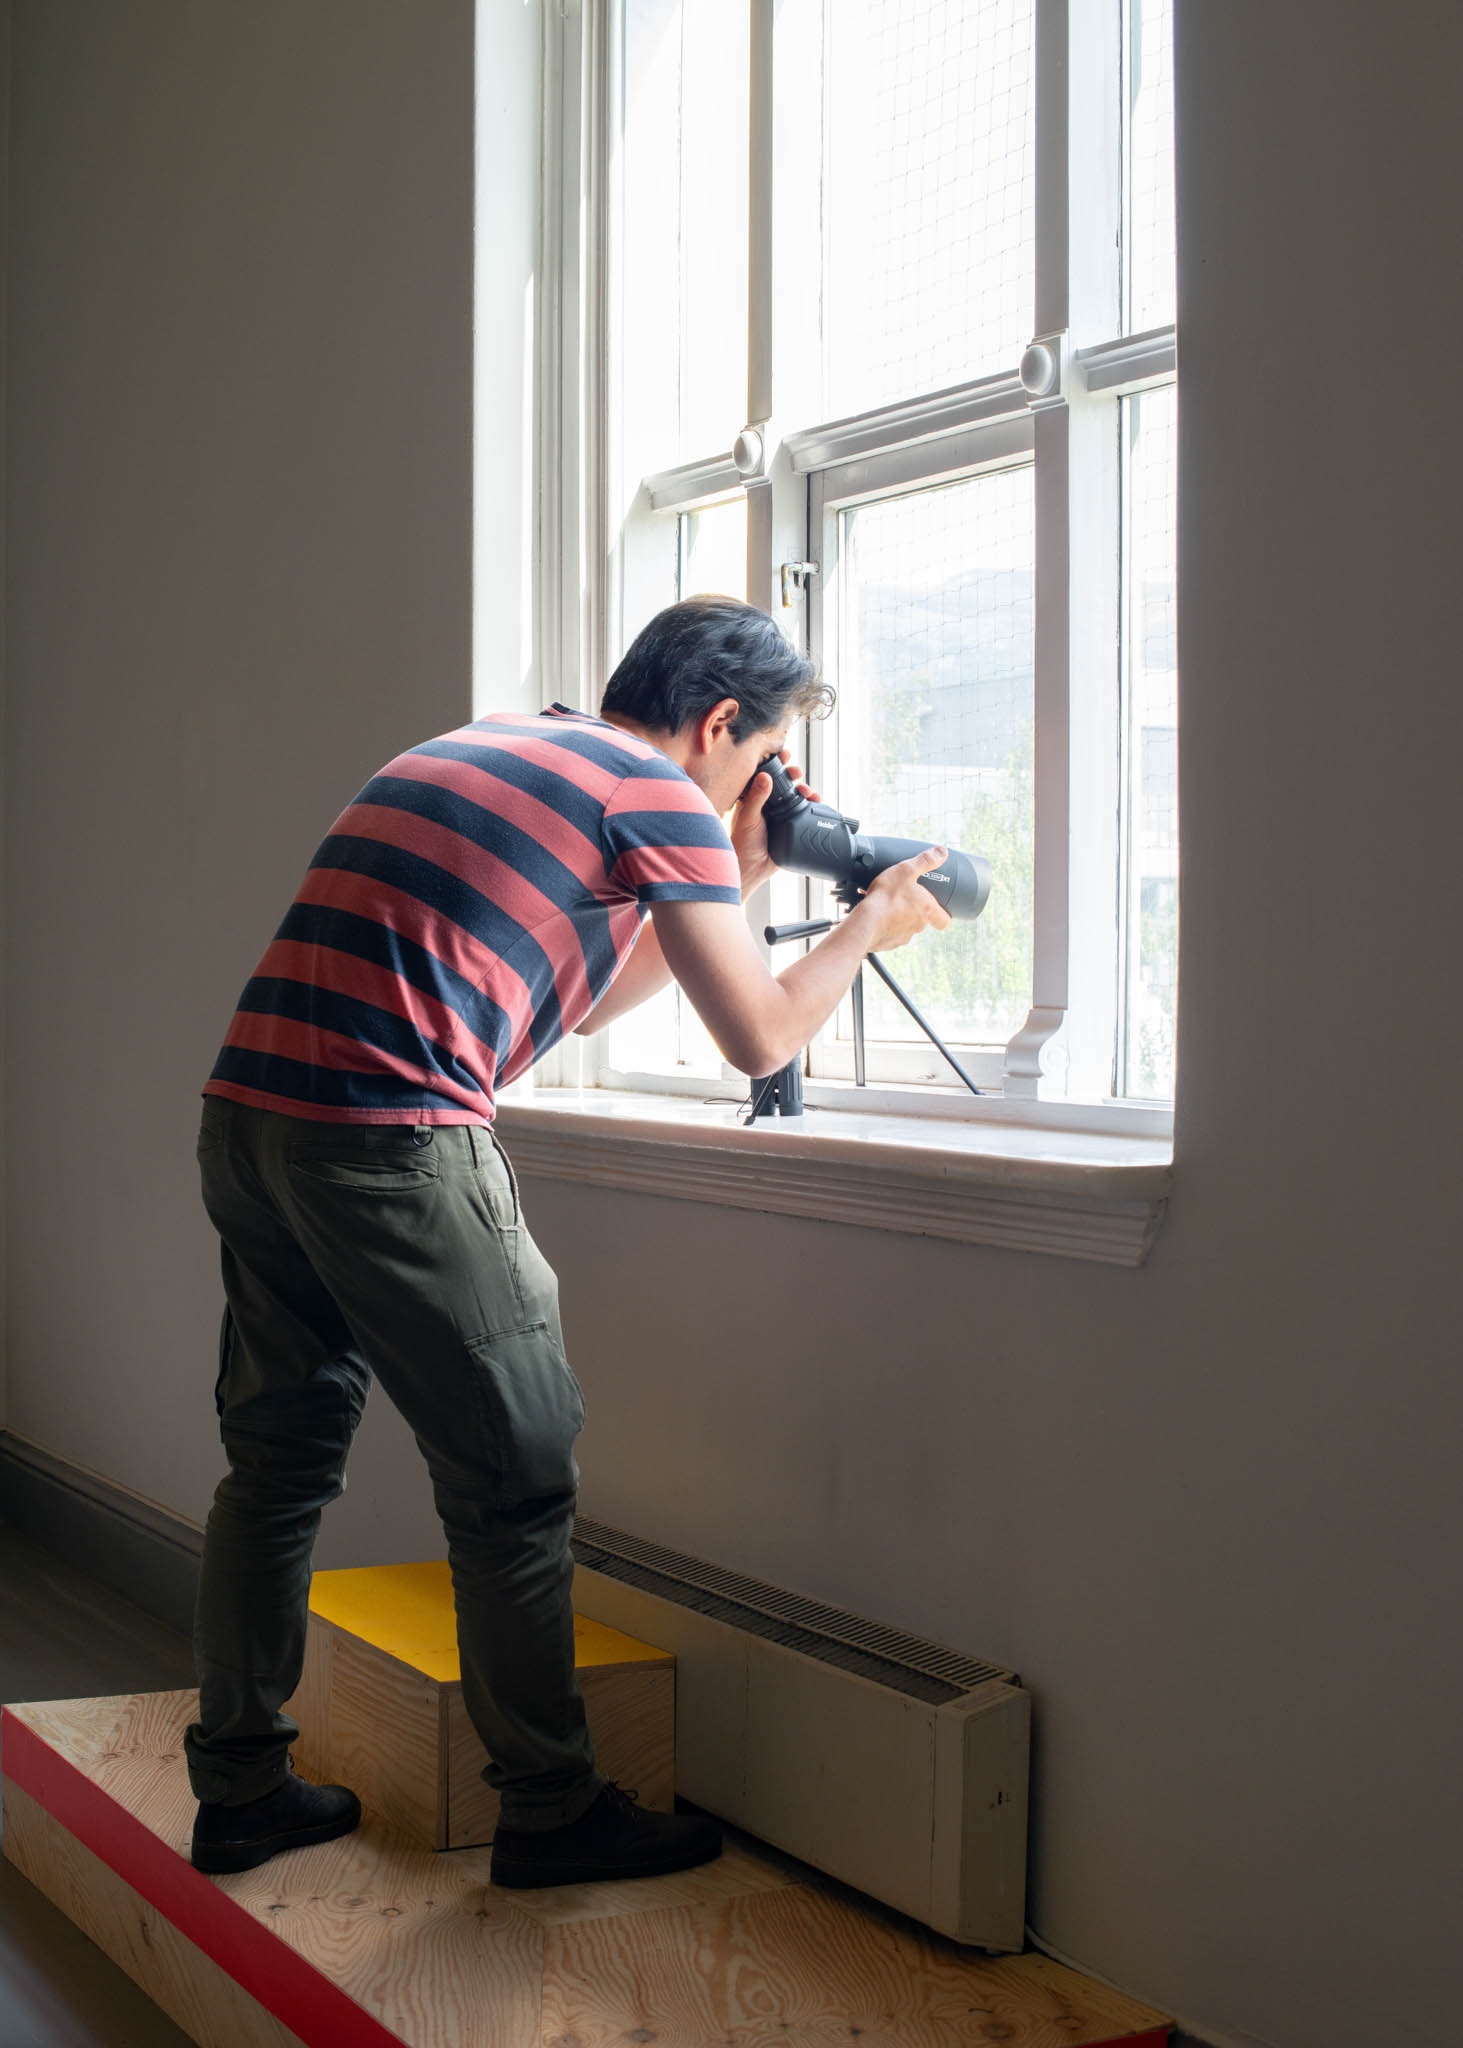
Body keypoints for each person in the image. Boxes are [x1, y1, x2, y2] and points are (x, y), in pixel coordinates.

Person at [186, 595, 951, 1886]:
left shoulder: (488, 746)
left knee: (275, 1466)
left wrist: (744, 865)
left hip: (253, 1123)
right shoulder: (655, 794)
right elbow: (760, 1036)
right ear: (719, 724)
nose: (754, 779)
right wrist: (868, 920)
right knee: (516, 1475)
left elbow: (589, 1004)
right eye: (757, 752)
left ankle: (240, 1791)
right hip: (390, 1138)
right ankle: (550, 1809)